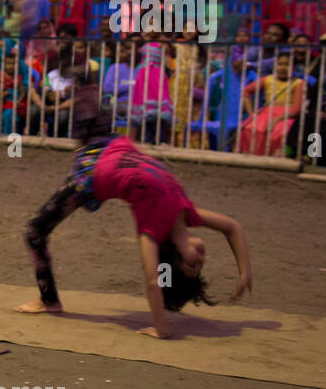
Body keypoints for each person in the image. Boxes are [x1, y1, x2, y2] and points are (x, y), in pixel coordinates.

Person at [15, 132, 252, 339]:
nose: (200, 259)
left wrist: (161, 329)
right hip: (109, 144)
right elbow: (232, 227)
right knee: (84, 87)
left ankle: (49, 302)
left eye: (192, 265)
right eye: (200, 265)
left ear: (172, 258)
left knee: (34, 232)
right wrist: (244, 272)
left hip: (89, 175)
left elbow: (153, 282)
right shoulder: (186, 212)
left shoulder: (153, 228)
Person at [236, 51, 305, 156]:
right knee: (249, 128)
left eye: (287, 65)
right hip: (266, 113)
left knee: (281, 132)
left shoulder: (299, 83)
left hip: (287, 116)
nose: (283, 67)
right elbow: (246, 91)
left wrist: (277, 119)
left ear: (294, 68)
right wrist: (251, 114)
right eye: (280, 64)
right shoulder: (269, 79)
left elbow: (296, 108)